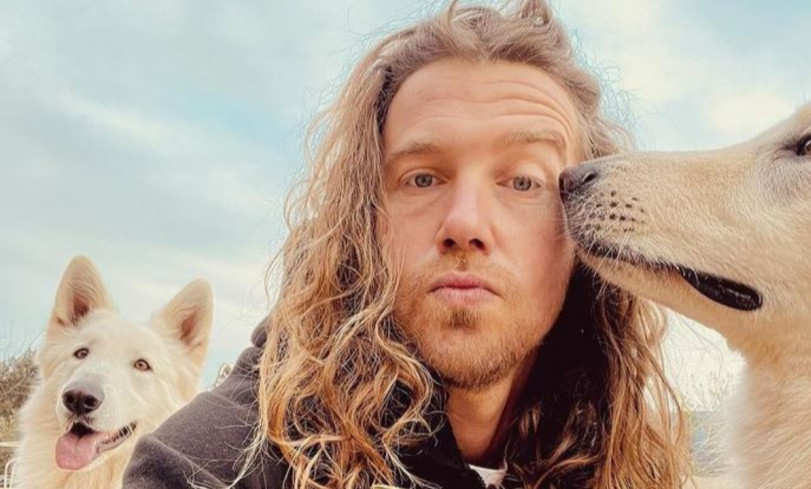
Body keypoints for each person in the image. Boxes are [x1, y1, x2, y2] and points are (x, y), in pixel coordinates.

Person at [123, 1, 689, 488]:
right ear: (364, 220)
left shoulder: (626, 466)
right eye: (422, 178)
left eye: (523, 182)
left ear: (585, 236)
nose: (465, 223)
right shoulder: (209, 467)